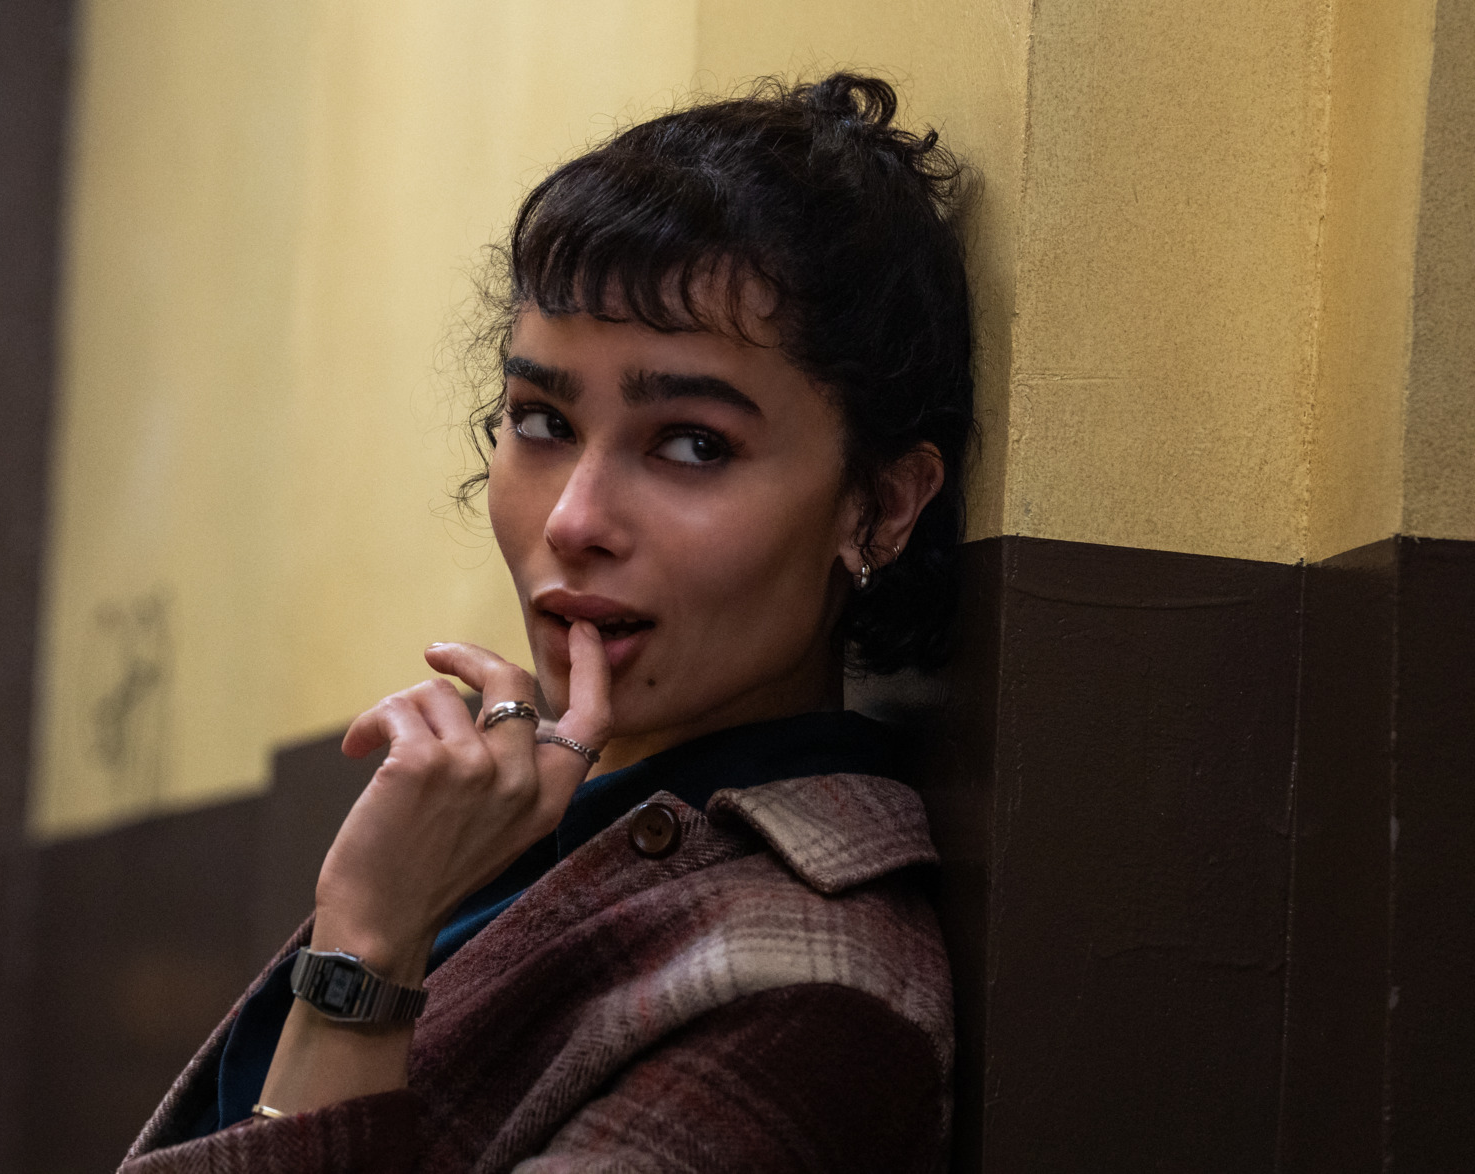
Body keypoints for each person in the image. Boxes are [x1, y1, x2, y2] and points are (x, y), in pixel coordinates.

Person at [120, 72, 973, 1173]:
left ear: (880, 503)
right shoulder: (537, 828)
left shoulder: (810, 996)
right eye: (540, 421)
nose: (573, 520)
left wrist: (366, 960)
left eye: (692, 443)